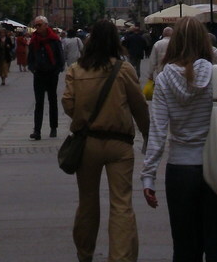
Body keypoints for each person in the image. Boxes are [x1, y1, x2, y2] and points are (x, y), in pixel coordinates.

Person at [141, 16, 217, 262]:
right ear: (203, 42)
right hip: (215, 167)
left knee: (185, 245)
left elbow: (157, 130)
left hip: (180, 170)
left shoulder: (164, 79)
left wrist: (149, 176)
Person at [62, 20, 150, 262]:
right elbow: (139, 106)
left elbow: (68, 103)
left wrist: (84, 117)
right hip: (119, 144)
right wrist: (146, 133)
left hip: (87, 143)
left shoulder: (76, 70)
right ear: (116, 41)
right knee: (121, 203)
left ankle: (85, 253)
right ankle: (120, 257)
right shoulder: (124, 70)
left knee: (87, 202)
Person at [28, 15, 64, 140]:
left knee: (52, 101)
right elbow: (30, 58)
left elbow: (60, 56)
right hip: (39, 74)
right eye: (35, 25)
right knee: (39, 103)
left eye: (39, 25)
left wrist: (57, 70)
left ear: (46, 25)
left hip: (52, 74)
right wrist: (33, 68)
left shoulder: (54, 39)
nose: (37, 28)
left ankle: (53, 127)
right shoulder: (33, 40)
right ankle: (37, 130)